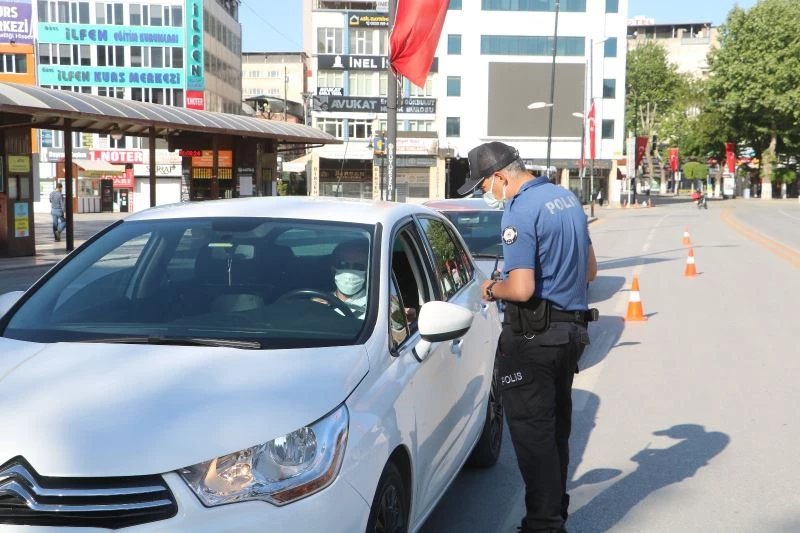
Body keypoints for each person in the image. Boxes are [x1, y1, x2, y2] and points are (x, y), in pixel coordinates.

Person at [457, 141, 598, 533]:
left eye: (484, 186)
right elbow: (589, 270)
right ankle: (554, 513)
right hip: (570, 333)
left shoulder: (519, 209)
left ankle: (544, 524)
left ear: (501, 176)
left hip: (532, 338)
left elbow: (520, 289)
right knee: (555, 432)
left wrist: (490, 289)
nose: (488, 194)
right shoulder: (565, 198)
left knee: (533, 438)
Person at [330, 239, 369, 319]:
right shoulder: (318, 303)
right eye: (343, 265)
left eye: (358, 266)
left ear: (367, 271)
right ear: (333, 269)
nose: (350, 272)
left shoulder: (378, 305)